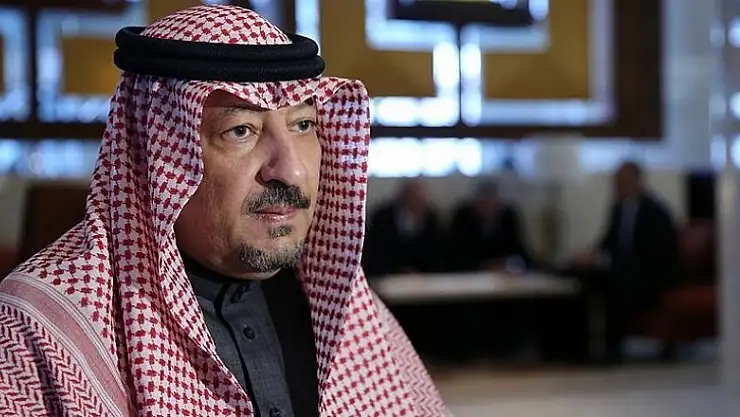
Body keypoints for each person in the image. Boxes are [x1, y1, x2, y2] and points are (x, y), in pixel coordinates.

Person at [0, 6, 448, 416]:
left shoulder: (348, 315)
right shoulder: (45, 327)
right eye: (240, 130)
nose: (290, 169)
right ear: (159, 157)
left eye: (303, 124)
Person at [572, 161, 681, 363]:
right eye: (616, 182)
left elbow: (655, 257)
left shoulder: (655, 212)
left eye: (623, 181)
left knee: (616, 284)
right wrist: (591, 256)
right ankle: (580, 348)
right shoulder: (618, 209)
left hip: (651, 275)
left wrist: (614, 263)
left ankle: (612, 350)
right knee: (584, 279)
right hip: (622, 271)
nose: (618, 186)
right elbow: (608, 242)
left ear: (638, 181)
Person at [447, 180, 534, 272]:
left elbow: (519, 251)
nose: (488, 206)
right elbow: (455, 254)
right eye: (484, 202)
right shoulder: (463, 218)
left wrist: (510, 263)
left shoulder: (508, 218)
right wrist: (486, 265)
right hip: (471, 273)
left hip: (504, 274)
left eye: (493, 202)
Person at [363, 180, 443, 276]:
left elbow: (434, 254)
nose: (416, 202)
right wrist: (397, 270)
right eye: (413, 197)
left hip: (422, 276)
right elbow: (377, 251)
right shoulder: (384, 218)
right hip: (388, 274)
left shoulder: (431, 219)